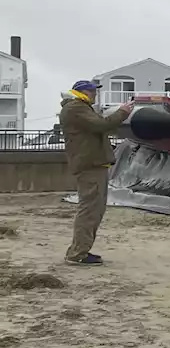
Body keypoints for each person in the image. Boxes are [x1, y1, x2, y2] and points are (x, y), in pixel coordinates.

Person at [59, 80, 133, 265]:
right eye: (94, 91)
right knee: (90, 210)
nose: (96, 95)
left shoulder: (78, 108)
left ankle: (80, 251)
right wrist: (123, 112)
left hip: (91, 164)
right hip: (90, 165)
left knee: (93, 209)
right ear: (84, 92)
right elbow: (101, 125)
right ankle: (77, 254)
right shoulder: (76, 108)